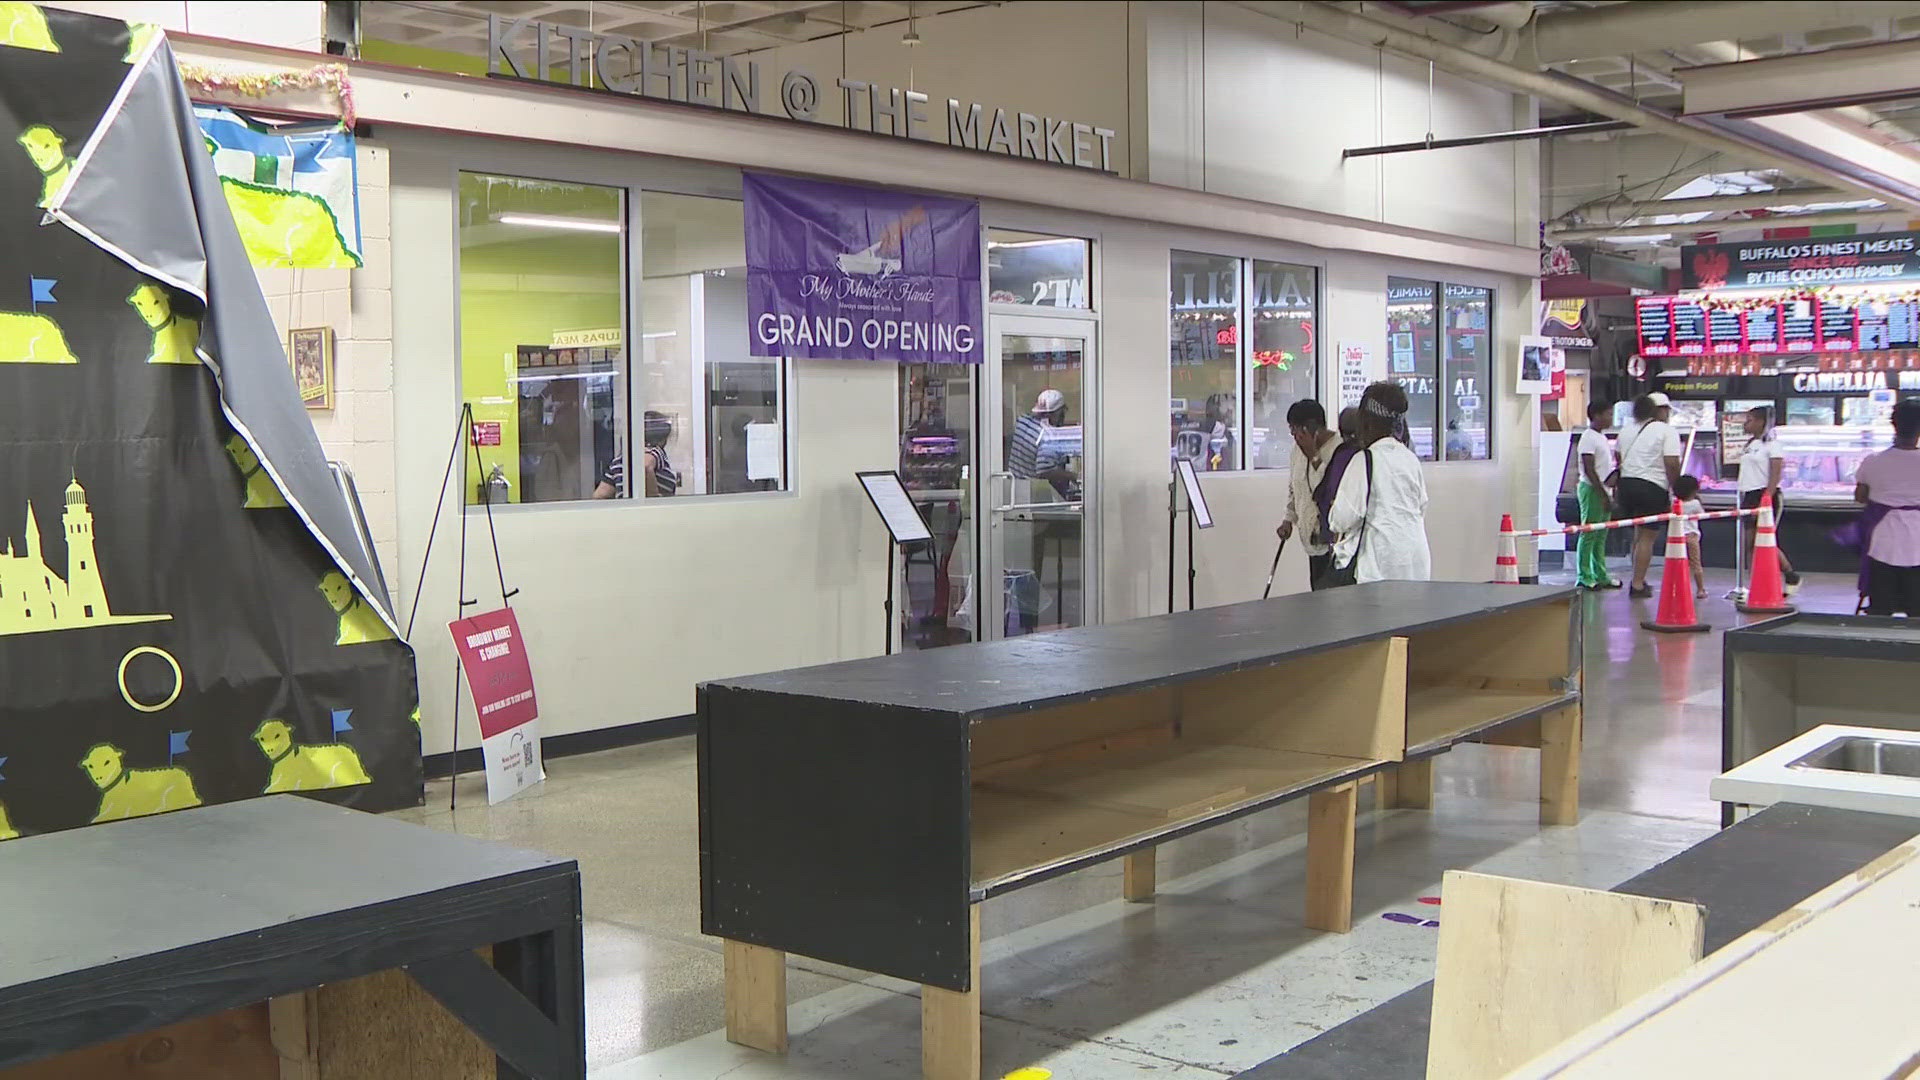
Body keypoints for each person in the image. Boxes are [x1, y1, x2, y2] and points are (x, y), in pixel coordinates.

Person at [1326, 382, 1431, 584]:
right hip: (1415, 562)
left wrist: (1333, 511)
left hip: (1379, 564)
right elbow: (1421, 507)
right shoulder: (1410, 459)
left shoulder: (1364, 460)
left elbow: (1342, 518)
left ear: (1367, 422)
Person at [1853, 398, 1920, 615]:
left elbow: (1860, 496)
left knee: (1881, 604)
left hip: (1882, 538)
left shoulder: (1873, 461)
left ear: (1893, 424)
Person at [1615, 392, 1683, 598]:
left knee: (1637, 534)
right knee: (1647, 537)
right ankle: (1637, 584)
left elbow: (1618, 457)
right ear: (1660, 410)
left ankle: (1638, 577)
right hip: (1652, 487)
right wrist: (1676, 489)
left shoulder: (1626, 430)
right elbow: (1671, 462)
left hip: (1626, 486)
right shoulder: (1666, 431)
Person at [1276, 399, 1343, 584]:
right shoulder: (1296, 451)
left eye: (1296, 429)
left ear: (1311, 428)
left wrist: (1313, 454)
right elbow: (1294, 487)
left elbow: (1326, 489)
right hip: (1311, 541)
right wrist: (1288, 519)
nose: (1293, 435)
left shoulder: (1339, 450)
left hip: (1332, 542)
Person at [1736, 405, 1799, 596]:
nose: (1746, 423)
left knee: (1764, 540)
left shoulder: (1773, 445)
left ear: (1761, 422)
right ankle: (1756, 583)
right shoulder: (1750, 444)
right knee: (1749, 543)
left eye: (1750, 420)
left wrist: (1767, 496)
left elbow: (1775, 473)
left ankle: (1789, 574)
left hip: (1765, 495)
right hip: (1748, 495)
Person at [1575, 400, 1620, 590]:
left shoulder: (1601, 437)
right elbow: (1589, 469)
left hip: (1603, 489)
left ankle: (1600, 573)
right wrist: (1602, 493)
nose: (1611, 418)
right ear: (1596, 415)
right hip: (1592, 489)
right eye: (1608, 414)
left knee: (1601, 535)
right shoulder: (1588, 438)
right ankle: (1584, 575)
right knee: (1589, 533)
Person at [593, 411, 680, 499]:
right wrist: (653, 500)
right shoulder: (655, 451)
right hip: (653, 511)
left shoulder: (619, 461)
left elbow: (600, 495)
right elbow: (645, 465)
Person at [1011, 389, 1076, 498]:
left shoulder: (1021, 421)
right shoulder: (1047, 435)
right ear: (1056, 413)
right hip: (1032, 492)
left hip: (1012, 486)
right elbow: (1044, 470)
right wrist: (1073, 476)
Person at [1674, 474, 1707, 600]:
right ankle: (1700, 589)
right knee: (1696, 564)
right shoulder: (1695, 503)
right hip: (1692, 536)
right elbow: (1702, 515)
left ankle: (1678, 588)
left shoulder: (1675, 502)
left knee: (1678, 564)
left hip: (1678, 536)